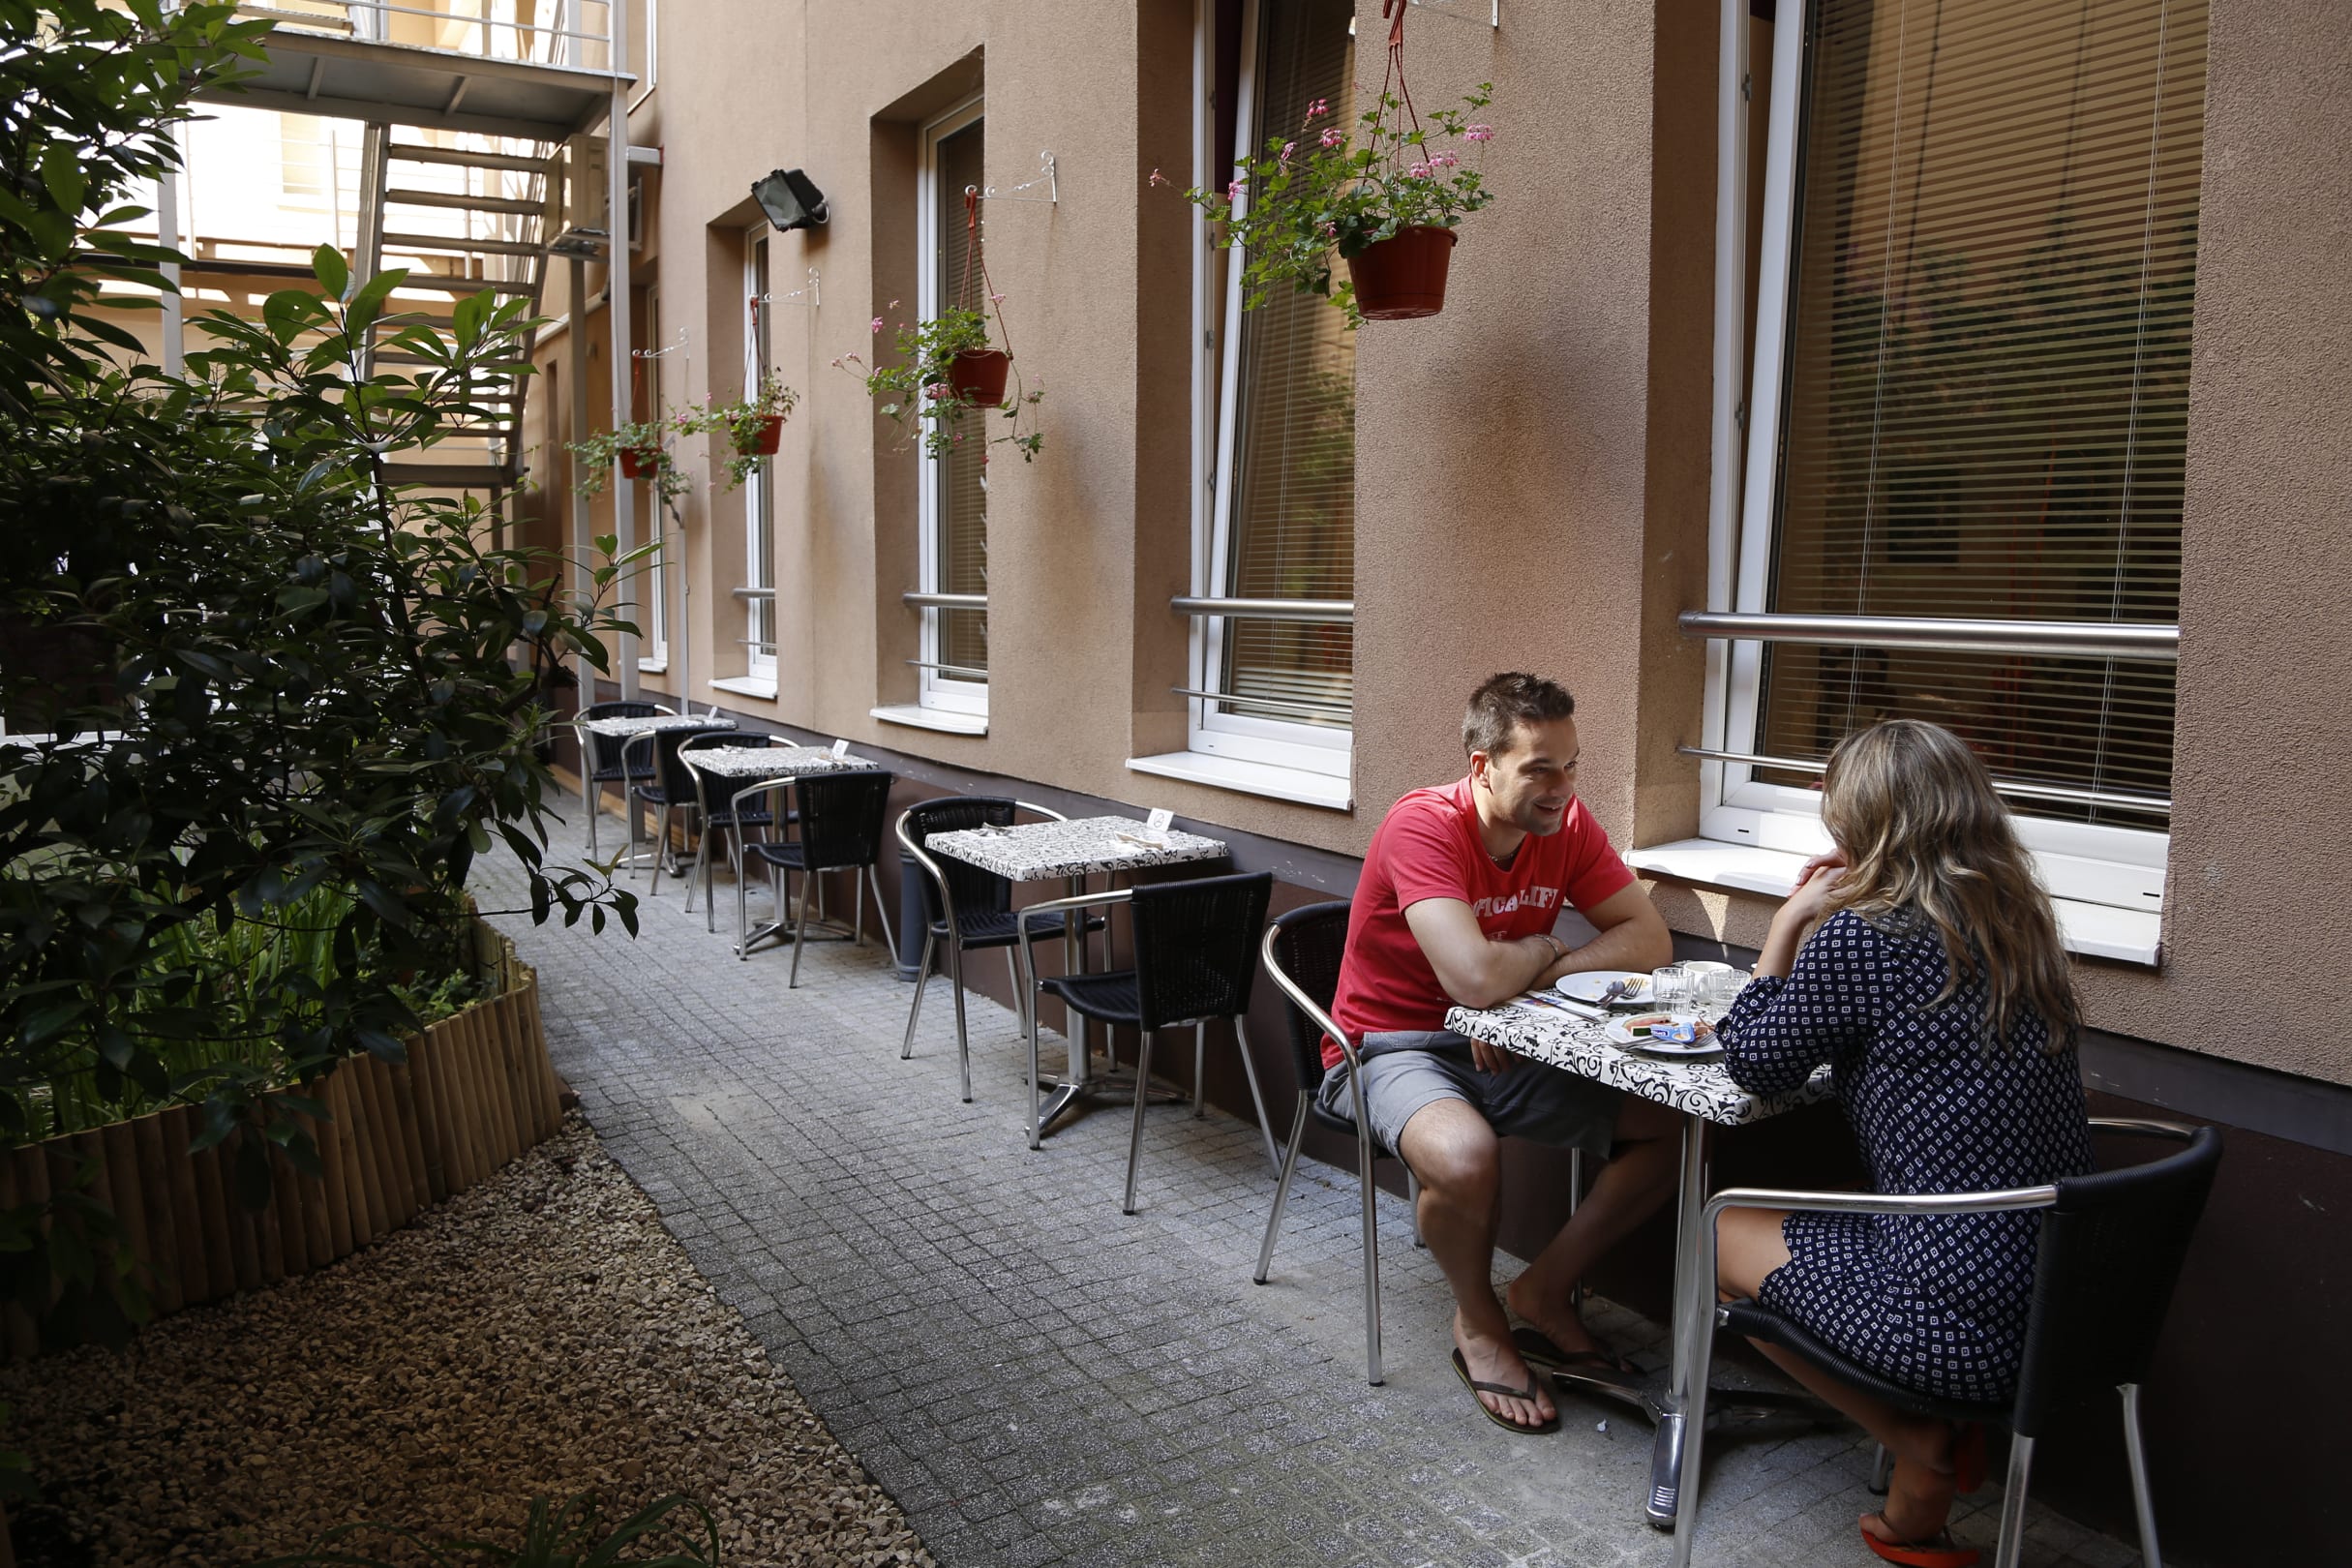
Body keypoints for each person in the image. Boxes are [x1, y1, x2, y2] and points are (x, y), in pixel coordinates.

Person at [1713, 719, 2094, 1568]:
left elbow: (1754, 1062)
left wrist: (1787, 925)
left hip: (1960, 1322)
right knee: (1861, 1222)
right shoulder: (2021, 925)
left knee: (1718, 1233)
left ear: (1865, 827)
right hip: (2071, 1306)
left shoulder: (1868, 936)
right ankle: (1921, 1477)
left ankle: (1917, 1441)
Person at [1323, 672, 1678, 1434]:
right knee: (1464, 1157)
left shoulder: (1566, 824)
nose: (1563, 789)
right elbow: (1474, 978)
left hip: (1507, 1041)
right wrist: (1542, 950)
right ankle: (1480, 1322)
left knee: (1668, 1126)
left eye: (1571, 765)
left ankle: (1542, 1291)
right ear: (1482, 767)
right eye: (1540, 769)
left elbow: (1649, 939)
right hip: (1386, 1048)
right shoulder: (1423, 826)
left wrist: (1526, 978)